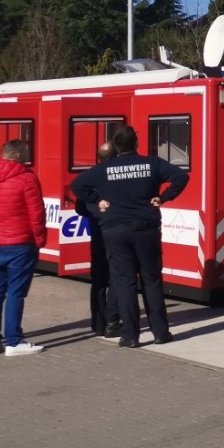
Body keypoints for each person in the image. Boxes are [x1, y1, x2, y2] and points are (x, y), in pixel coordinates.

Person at [72, 125, 188, 348]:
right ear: (136, 143)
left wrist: (97, 200)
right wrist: (163, 197)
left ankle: (130, 336)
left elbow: (77, 185)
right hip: (146, 227)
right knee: (151, 280)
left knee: (124, 281)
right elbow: (181, 177)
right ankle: (160, 332)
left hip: (115, 229)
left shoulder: (105, 168)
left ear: (116, 146)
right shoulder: (152, 163)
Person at [0, 139, 47, 356]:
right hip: (21, 242)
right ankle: (14, 341)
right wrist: (39, 239)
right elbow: (37, 213)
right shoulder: (27, 178)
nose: (28, 154)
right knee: (16, 293)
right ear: (18, 155)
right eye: (25, 151)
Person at [78, 140, 121, 338]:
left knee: (98, 279)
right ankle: (113, 321)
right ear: (116, 156)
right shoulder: (120, 177)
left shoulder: (89, 177)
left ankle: (98, 323)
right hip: (116, 230)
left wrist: (94, 211)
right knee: (116, 277)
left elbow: (80, 208)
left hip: (97, 231)